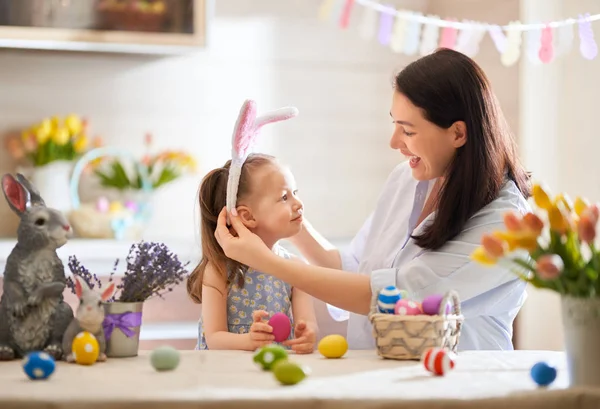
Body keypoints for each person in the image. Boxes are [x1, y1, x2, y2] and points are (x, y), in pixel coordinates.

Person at [213, 48, 532, 351]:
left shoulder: (504, 222)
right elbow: (356, 271)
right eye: (394, 124)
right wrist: (282, 211)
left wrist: (267, 262)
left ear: (458, 133)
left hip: (460, 383)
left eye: (407, 131)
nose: (394, 142)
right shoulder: (407, 179)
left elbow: (395, 295)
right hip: (380, 374)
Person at [186, 100, 318, 354]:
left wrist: (308, 334)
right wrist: (249, 341)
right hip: (223, 377)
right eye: (284, 197)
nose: (298, 202)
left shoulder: (296, 270)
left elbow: (307, 324)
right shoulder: (220, 271)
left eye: (296, 192)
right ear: (247, 216)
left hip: (273, 371)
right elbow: (215, 338)